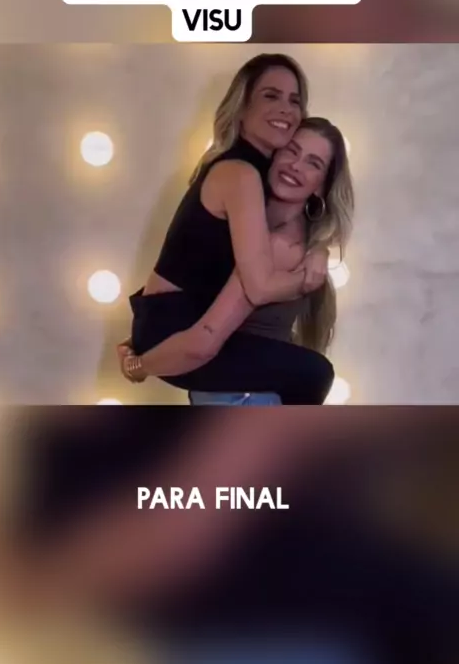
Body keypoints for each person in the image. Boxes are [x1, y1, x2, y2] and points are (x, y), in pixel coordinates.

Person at [119, 53, 337, 406]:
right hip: (172, 329)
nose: (285, 108)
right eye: (271, 95)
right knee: (315, 373)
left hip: (175, 321)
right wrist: (308, 279)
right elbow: (259, 286)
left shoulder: (259, 176)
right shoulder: (240, 173)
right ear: (243, 105)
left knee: (303, 370)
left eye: (294, 100)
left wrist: (319, 250)